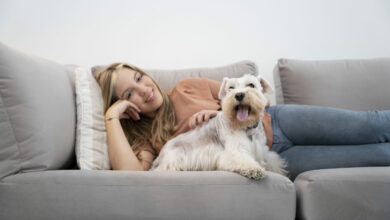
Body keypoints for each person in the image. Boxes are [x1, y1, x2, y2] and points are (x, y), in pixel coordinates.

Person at [94, 62, 390, 179]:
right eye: (129, 93)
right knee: (377, 155)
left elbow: (238, 94)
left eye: (139, 78)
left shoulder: (188, 86)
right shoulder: (151, 140)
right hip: (276, 156)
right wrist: (111, 117)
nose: (144, 89)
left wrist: (216, 112)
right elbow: (128, 173)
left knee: (373, 125)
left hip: (279, 122)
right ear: (124, 104)